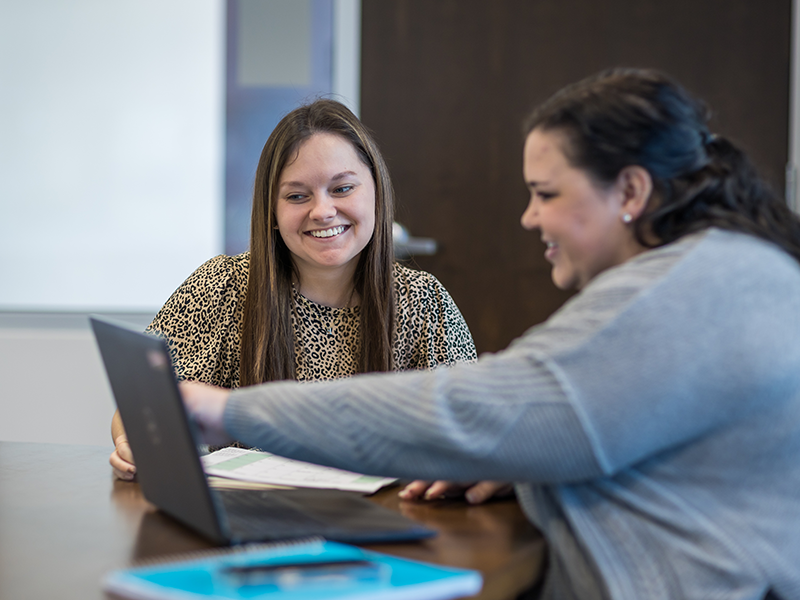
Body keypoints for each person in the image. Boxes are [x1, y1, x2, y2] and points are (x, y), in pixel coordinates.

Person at [180, 69, 800, 599]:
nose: (530, 216)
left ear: (631, 191)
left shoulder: (682, 294)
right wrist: (523, 458)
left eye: (546, 194)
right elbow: (567, 419)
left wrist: (230, 411)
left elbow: (474, 409)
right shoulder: (738, 268)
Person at [109, 99, 480, 489]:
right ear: (271, 209)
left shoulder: (425, 302)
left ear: (376, 191)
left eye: (342, 188)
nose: (322, 211)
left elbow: (474, 431)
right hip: (249, 520)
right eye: (297, 196)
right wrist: (132, 438)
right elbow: (138, 408)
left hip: (385, 523)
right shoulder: (221, 285)